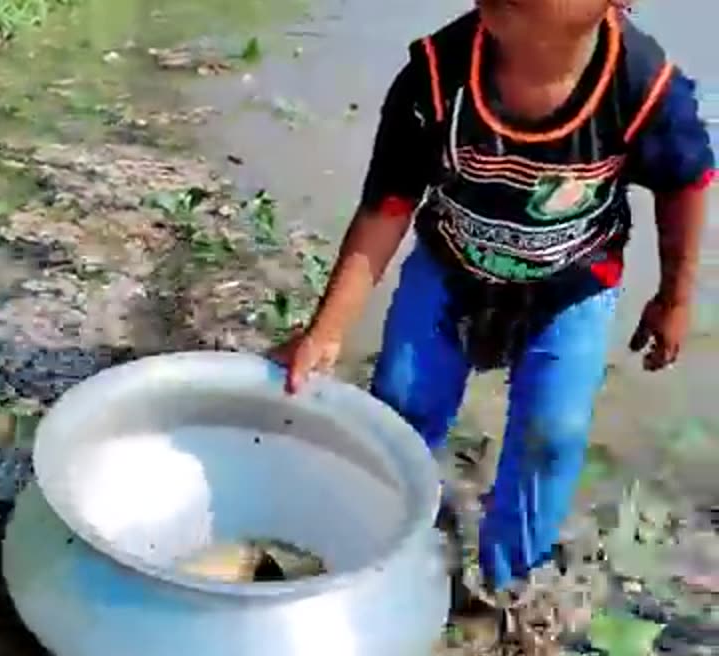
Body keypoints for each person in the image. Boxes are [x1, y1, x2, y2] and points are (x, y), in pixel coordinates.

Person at [274, 0, 714, 615]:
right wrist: (325, 332)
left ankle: (507, 583)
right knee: (401, 405)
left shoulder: (641, 86)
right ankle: (373, 544)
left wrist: (674, 297)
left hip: (573, 288)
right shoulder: (436, 76)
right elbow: (387, 208)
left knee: (552, 438)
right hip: (450, 267)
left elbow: (685, 184)